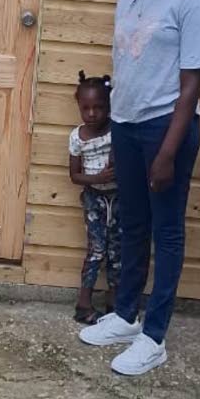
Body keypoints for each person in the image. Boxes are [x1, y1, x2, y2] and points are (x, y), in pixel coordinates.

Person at [79, 0, 200, 375]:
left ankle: (154, 335)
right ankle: (125, 314)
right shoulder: (126, 0)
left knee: (166, 230)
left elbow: (192, 82)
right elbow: (126, 70)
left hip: (167, 127)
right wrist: (117, 132)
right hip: (128, 125)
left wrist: (169, 152)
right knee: (132, 223)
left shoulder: (191, 3)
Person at [69, 71, 119, 325]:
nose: (91, 114)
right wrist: (97, 179)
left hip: (119, 199)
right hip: (94, 200)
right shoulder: (77, 137)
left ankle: (115, 305)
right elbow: (75, 175)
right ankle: (84, 303)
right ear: (78, 106)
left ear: (109, 106)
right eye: (86, 108)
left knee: (117, 252)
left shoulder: (117, 131)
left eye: (98, 107)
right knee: (96, 250)